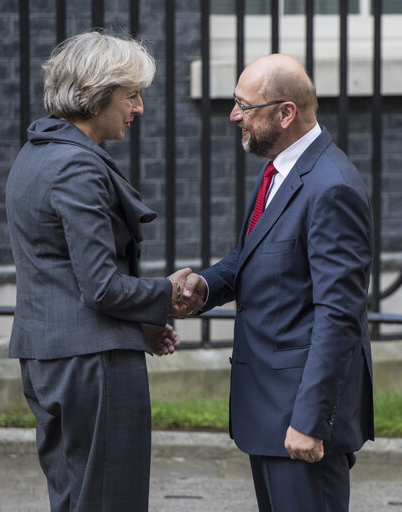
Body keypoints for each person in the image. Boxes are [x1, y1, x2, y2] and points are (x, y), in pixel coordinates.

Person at [5, 31, 201, 512]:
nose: (138, 108)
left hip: (51, 357)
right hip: (93, 364)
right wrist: (166, 294)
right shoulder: (76, 167)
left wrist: (145, 320)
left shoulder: (35, 153)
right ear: (96, 94)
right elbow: (100, 285)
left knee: (75, 499)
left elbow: (66, 272)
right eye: (131, 95)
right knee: (112, 500)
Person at [177, 54, 374, 511]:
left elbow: (339, 315)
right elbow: (259, 255)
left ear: (285, 113)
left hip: (298, 422)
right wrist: (204, 287)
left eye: (245, 106)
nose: (234, 116)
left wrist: (309, 421)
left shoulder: (331, 187)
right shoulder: (281, 170)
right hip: (269, 414)